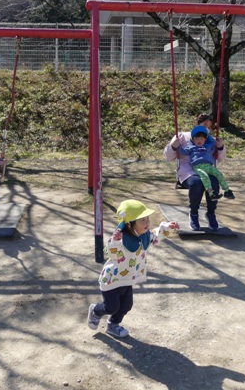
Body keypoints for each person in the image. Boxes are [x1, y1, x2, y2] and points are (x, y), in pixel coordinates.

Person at [86, 199, 179, 338]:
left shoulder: (144, 236)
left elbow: (156, 235)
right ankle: (96, 311)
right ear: (129, 224)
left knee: (126, 306)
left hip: (127, 279)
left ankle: (113, 325)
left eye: (147, 219)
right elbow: (111, 253)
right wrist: (115, 241)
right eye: (142, 220)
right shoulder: (121, 239)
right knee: (111, 307)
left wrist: (167, 227)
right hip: (112, 280)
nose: (147, 223)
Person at [163, 113, 227, 231]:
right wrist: (173, 146)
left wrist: (221, 147)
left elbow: (220, 159)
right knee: (197, 182)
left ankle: (211, 213)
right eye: (204, 125)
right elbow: (168, 157)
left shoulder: (211, 140)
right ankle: (193, 213)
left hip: (206, 170)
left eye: (209, 127)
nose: (207, 129)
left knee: (214, 181)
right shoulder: (182, 136)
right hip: (188, 171)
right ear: (196, 124)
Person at [179, 125, 235, 201]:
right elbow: (183, 152)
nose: (199, 140)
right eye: (197, 138)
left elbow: (214, 144)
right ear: (193, 139)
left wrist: (219, 144)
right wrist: (178, 144)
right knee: (205, 177)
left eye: (202, 138)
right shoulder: (191, 147)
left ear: (205, 139)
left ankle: (227, 191)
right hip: (198, 167)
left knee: (218, 174)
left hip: (209, 166)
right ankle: (211, 193)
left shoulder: (209, 147)